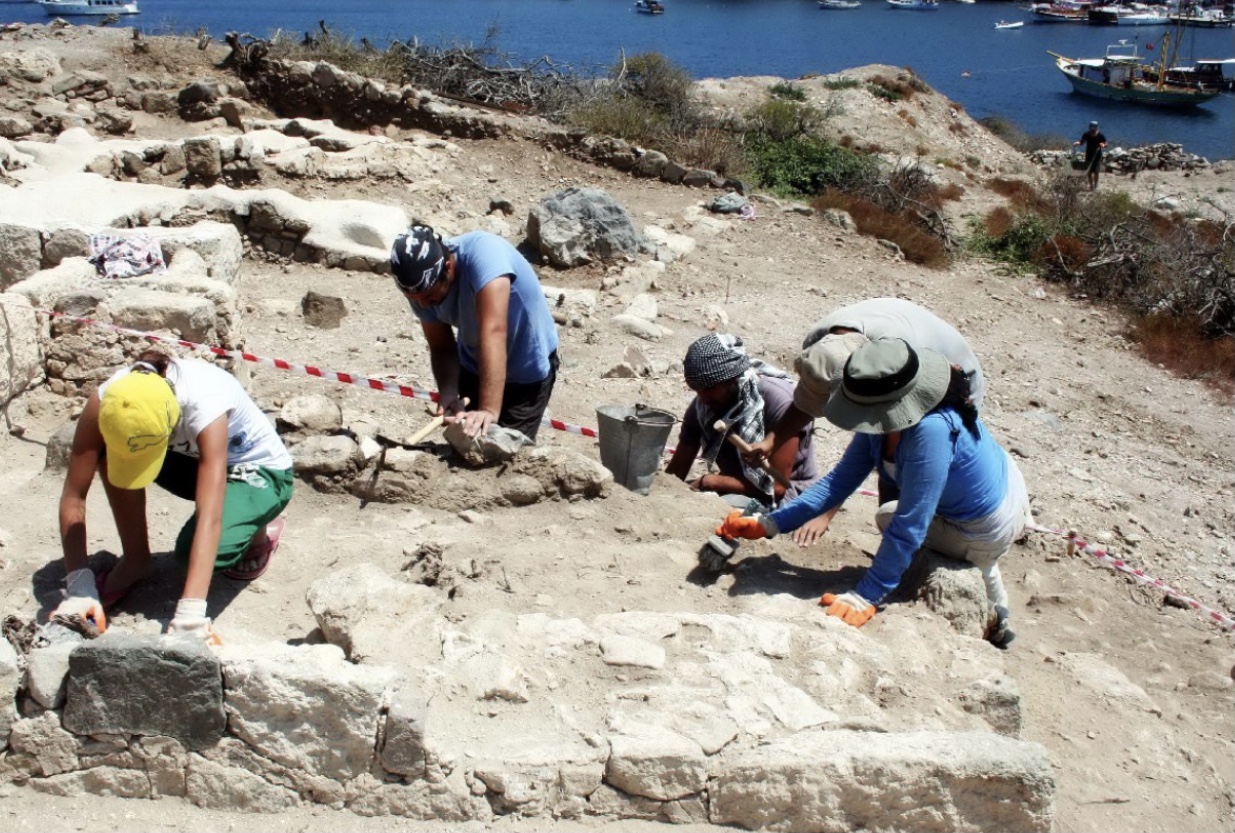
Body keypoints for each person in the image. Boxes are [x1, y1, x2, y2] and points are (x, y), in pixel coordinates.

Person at [717, 339, 1030, 648]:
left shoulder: (931, 432)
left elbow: (911, 522)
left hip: (988, 520)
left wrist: (867, 593)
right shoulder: (884, 421)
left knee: (888, 517)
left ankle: (990, 592)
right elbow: (837, 482)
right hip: (992, 488)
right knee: (898, 519)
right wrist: (771, 523)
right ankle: (996, 602)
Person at [53, 352, 294, 641]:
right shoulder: (109, 400)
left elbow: (210, 515)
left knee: (190, 553)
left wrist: (190, 617)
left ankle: (257, 530)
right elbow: (73, 497)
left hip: (256, 470)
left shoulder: (205, 403)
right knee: (107, 454)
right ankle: (136, 560)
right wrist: (79, 588)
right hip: (191, 458)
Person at [745, 298, 985, 546]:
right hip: (903, 362)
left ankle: (908, 550)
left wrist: (825, 515)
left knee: (909, 467)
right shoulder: (819, 343)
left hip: (952, 381)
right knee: (885, 459)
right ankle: (895, 543)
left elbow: (863, 451)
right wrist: (772, 440)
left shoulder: (896, 355)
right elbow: (812, 393)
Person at [391, 225, 560, 442]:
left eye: (430, 297)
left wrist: (489, 409)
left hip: (525, 370)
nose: (423, 305)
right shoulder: (419, 286)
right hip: (474, 364)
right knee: (466, 447)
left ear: (449, 268)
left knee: (504, 458)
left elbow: (494, 330)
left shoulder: (486, 257)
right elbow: (441, 346)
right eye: (415, 300)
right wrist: (449, 392)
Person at [665, 334, 818, 510]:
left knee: (716, 511)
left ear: (733, 379)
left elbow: (777, 487)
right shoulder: (705, 406)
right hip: (737, 488)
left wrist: (710, 481)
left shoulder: (779, 401)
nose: (703, 397)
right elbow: (676, 474)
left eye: (709, 388)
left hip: (790, 498)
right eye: (696, 389)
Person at [1073, 121, 1107, 191]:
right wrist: (1078, 143)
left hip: (1097, 155)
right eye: (1091, 127)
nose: (1092, 129)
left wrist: (1103, 145)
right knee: (1089, 171)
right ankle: (1091, 185)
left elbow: (1106, 143)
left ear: (1096, 128)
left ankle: (1096, 185)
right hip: (1089, 154)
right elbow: (1082, 142)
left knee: (1096, 171)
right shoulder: (1086, 134)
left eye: (1094, 128)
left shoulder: (1100, 135)